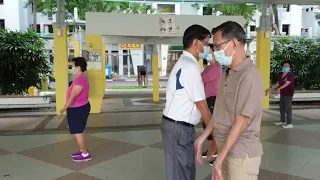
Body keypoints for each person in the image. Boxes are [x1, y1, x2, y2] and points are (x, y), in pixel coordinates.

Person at [194, 21, 264, 180]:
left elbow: (242, 121)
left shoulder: (249, 76)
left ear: (233, 42)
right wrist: (203, 137)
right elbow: (219, 112)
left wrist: (220, 158)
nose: (215, 51)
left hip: (240, 155)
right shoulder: (228, 73)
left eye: (218, 47)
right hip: (226, 149)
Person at [161, 24, 212, 180]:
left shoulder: (185, 63)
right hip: (179, 128)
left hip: (176, 127)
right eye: (207, 43)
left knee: (182, 170)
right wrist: (214, 132)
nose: (208, 48)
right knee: (180, 173)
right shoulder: (190, 67)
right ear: (197, 43)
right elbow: (202, 105)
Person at [57, 57, 92, 162]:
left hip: (78, 109)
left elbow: (73, 97)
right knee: (80, 130)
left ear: (78, 67)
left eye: (73, 66)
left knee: (78, 131)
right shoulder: (81, 77)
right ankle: (82, 150)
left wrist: (64, 108)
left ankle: (85, 154)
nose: (72, 68)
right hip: (80, 107)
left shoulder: (80, 79)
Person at [201, 42, 222, 166]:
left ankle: (219, 152)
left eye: (209, 52)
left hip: (213, 98)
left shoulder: (217, 67)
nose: (207, 54)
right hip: (207, 98)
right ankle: (212, 150)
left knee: (214, 127)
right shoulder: (208, 67)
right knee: (208, 126)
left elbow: (201, 79)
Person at [265, 60, 295, 128]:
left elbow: (286, 83)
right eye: (284, 66)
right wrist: (270, 89)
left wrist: (279, 89)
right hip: (283, 94)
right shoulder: (281, 74)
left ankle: (289, 123)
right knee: (282, 108)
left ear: (290, 67)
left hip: (288, 94)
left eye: (287, 66)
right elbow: (278, 84)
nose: (285, 67)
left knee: (288, 108)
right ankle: (282, 121)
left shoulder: (290, 75)